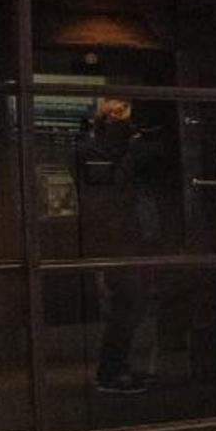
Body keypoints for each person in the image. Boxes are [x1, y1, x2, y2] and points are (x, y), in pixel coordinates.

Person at [77, 97, 166, 393]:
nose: (125, 126)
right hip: (118, 242)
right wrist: (132, 153)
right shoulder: (93, 151)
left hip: (135, 239)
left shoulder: (120, 150)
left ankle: (117, 366)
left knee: (134, 306)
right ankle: (111, 370)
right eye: (118, 119)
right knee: (127, 306)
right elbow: (109, 190)